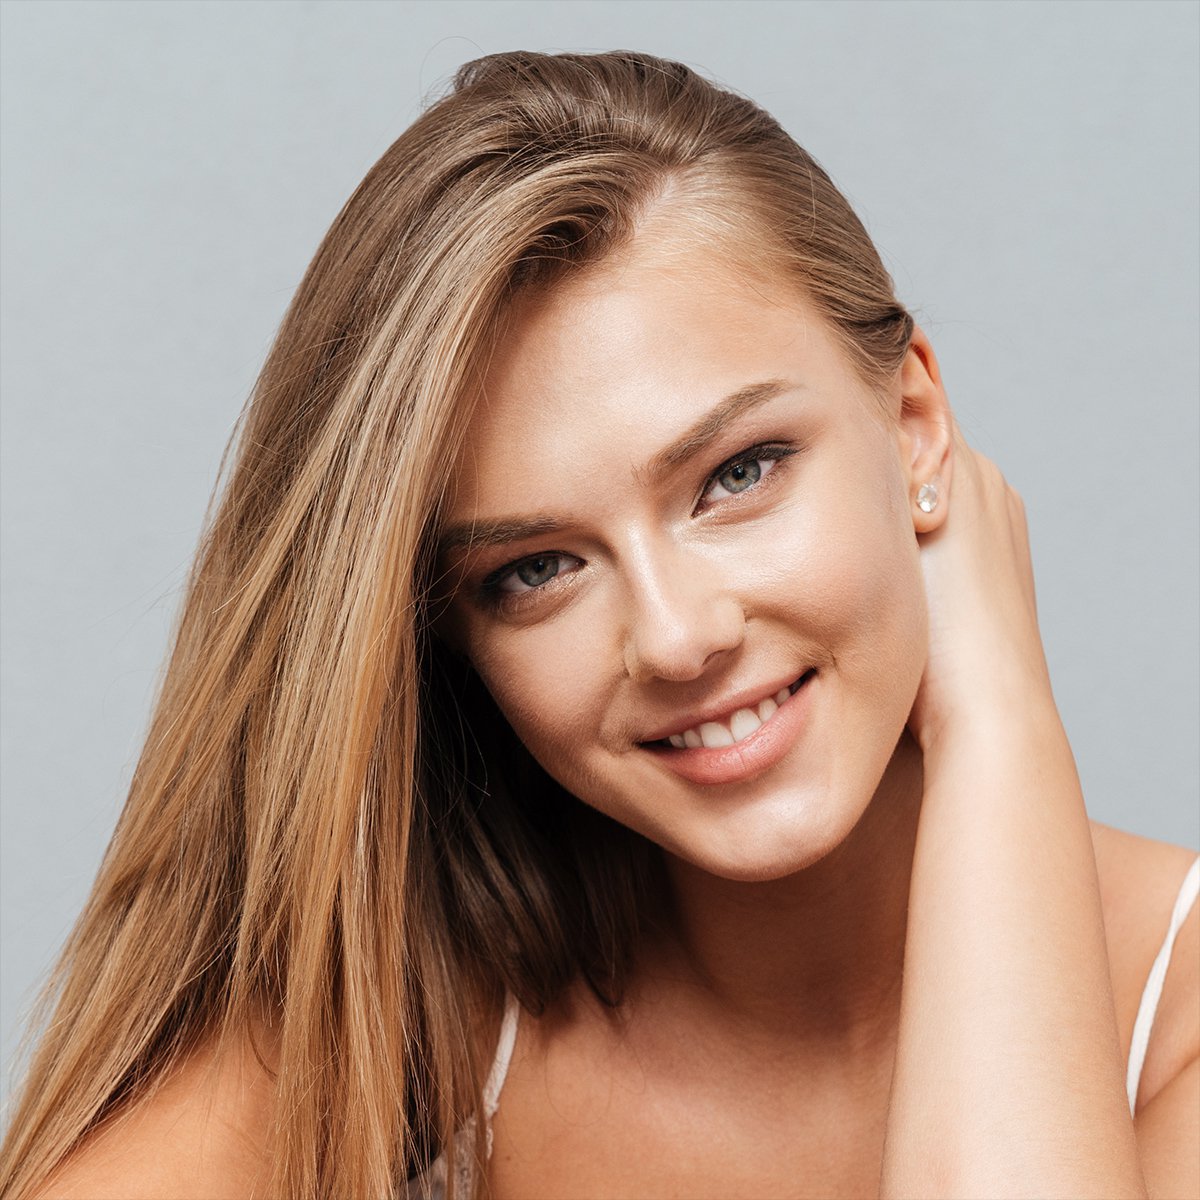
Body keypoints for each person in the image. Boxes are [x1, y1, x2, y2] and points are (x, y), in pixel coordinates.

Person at [2, 48, 1196, 1200]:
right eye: (536, 570)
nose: (676, 639)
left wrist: (998, 719)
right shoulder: (427, 1005)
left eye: (738, 473)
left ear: (915, 424)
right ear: (452, 635)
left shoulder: (1177, 1006)